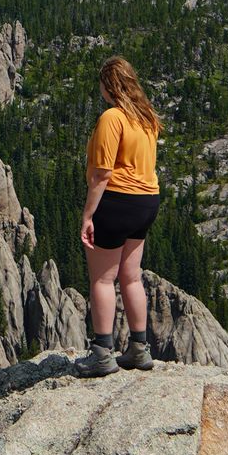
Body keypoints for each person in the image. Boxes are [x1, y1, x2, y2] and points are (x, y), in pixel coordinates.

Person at [72, 54, 162, 378]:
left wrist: (87, 214)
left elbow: (101, 174)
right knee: (131, 276)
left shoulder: (113, 117)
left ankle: (102, 353)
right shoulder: (147, 118)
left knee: (102, 278)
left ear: (109, 86)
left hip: (117, 202)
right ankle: (139, 349)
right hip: (147, 202)